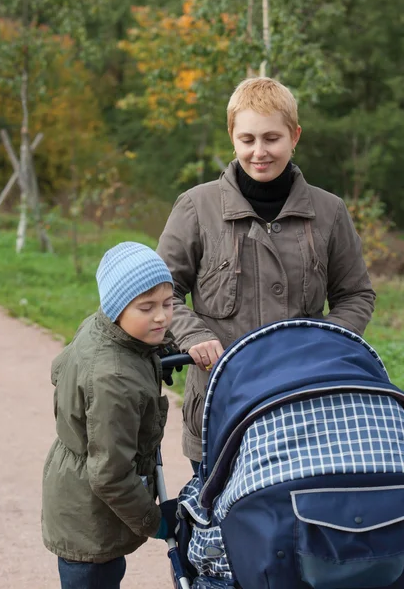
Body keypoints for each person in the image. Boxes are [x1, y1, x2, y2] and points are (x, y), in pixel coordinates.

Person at [156, 76, 376, 471]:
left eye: (272, 138)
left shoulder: (329, 212)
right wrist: (194, 336)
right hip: (220, 403)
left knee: (294, 522)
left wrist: (323, 343)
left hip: (304, 405)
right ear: (232, 137)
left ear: (295, 136)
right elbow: (161, 292)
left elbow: (356, 294)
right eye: (247, 139)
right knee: (219, 522)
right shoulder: (196, 207)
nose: (259, 151)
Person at [42, 242, 179, 589]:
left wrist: (161, 350)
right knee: (95, 578)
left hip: (80, 494)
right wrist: (154, 521)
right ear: (118, 309)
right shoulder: (114, 380)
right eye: (147, 308)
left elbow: (60, 368)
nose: (161, 316)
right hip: (90, 515)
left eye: (168, 303)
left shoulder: (102, 327)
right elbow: (110, 475)